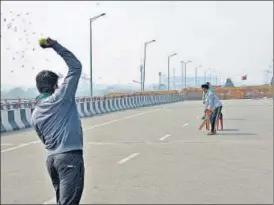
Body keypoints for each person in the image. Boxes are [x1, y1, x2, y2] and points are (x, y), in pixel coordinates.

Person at [31, 38, 84, 205]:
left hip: (52, 160)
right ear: (55, 85)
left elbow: (44, 140)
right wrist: (54, 45)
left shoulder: (35, 114)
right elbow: (75, 66)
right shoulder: (61, 97)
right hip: (70, 158)